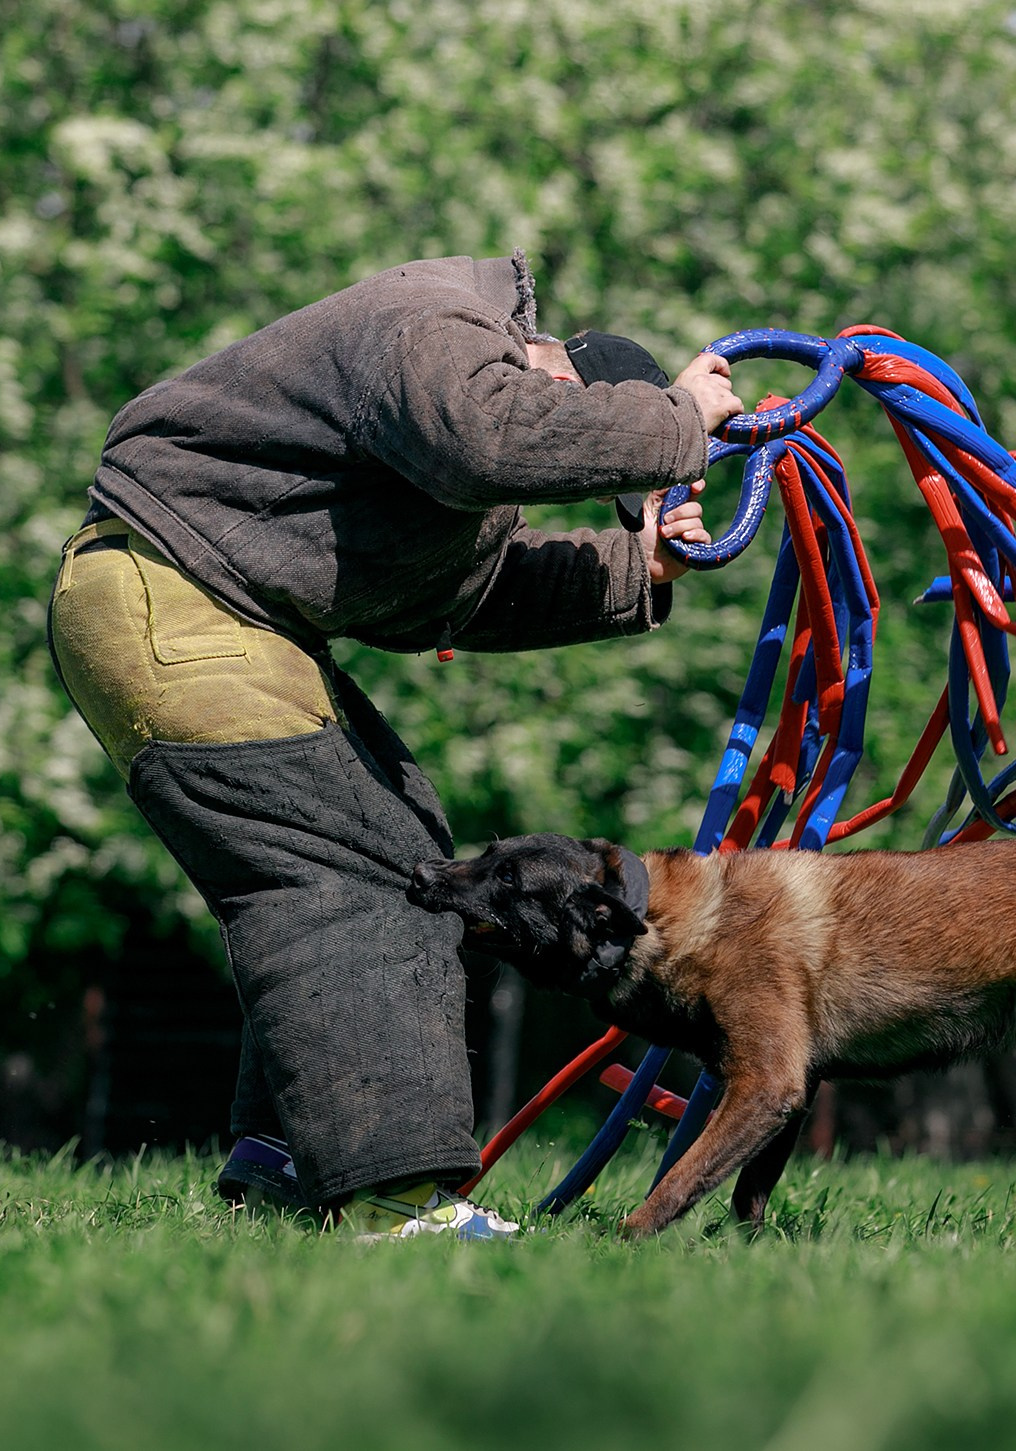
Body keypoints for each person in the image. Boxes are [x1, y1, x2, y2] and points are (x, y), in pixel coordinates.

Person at [48, 251, 741, 1238]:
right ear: (556, 376)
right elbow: (491, 440)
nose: (556, 491)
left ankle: (285, 1161)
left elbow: (456, 596)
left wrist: (641, 566)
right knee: (368, 880)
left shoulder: (441, 447)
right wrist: (677, 424)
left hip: (196, 606)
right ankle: (396, 1201)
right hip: (175, 596)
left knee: (402, 849)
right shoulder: (439, 325)